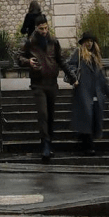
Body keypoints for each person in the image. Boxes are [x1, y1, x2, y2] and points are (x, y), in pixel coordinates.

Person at [18, 14, 76, 161]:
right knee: (43, 114)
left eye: (46, 28)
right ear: (36, 28)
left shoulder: (53, 41)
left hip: (52, 83)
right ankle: (45, 144)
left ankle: (49, 142)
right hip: (38, 84)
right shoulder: (30, 42)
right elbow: (18, 58)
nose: (44, 31)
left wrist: (72, 76)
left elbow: (61, 60)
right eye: (41, 28)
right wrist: (28, 61)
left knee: (50, 114)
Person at [66, 32, 109, 156]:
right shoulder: (78, 54)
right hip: (83, 90)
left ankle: (85, 142)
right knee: (86, 116)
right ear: (83, 43)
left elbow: (102, 77)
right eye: (87, 41)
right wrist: (74, 77)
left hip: (95, 92)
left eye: (91, 41)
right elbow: (69, 67)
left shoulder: (95, 57)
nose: (89, 43)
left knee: (93, 117)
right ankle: (88, 145)